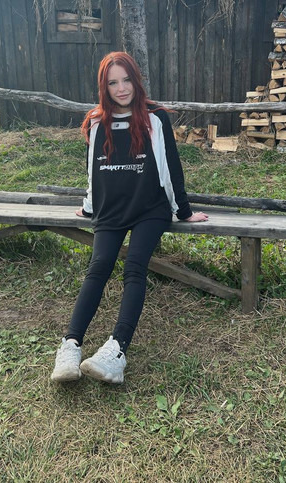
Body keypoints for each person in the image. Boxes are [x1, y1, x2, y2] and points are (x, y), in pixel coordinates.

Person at [51, 51, 208, 384]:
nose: (121, 88)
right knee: (98, 267)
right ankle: (70, 346)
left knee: (134, 267)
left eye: (126, 80)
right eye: (113, 83)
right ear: (104, 87)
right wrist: (89, 207)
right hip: (111, 210)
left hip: (150, 209)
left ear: (136, 80)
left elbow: (171, 168)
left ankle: (116, 351)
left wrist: (184, 211)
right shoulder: (96, 121)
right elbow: (93, 171)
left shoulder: (155, 118)